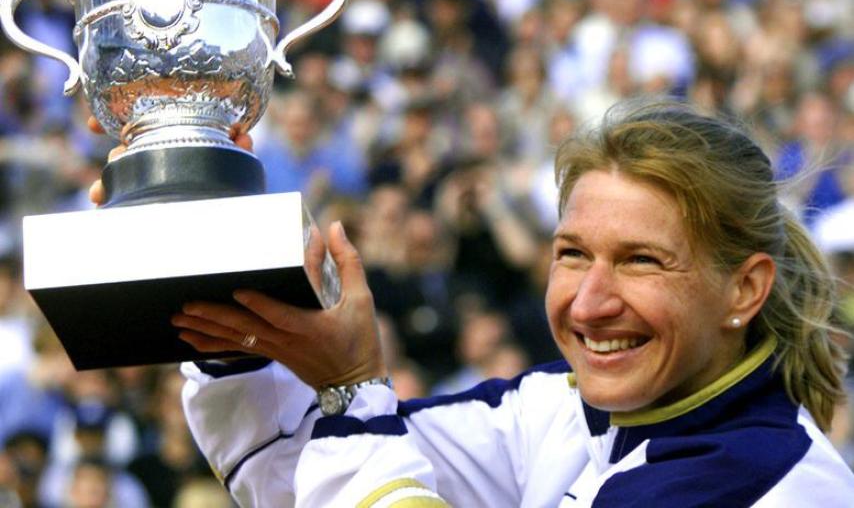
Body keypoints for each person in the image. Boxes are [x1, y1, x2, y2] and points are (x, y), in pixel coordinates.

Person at [138, 100, 854, 505]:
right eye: (572, 253)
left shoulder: (765, 480)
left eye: (641, 261)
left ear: (745, 289)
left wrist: (352, 389)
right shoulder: (562, 409)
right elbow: (297, 472)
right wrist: (222, 264)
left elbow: (354, 445)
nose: (590, 302)